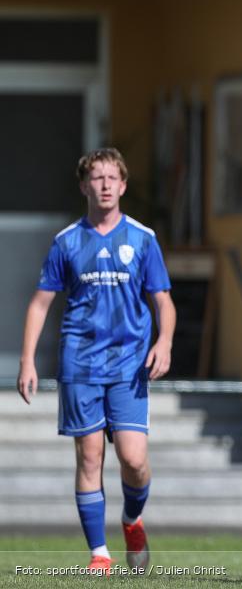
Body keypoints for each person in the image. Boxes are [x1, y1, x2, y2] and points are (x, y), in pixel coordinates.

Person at [17, 148, 176, 574]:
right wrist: (27, 361)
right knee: (89, 458)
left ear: (123, 186)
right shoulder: (66, 241)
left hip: (129, 364)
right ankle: (99, 553)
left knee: (134, 459)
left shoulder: (142, 239)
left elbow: (163, 301)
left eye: (113, 178)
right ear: (84, 185)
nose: (105, 185)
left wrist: (164, 342)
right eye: (97, 178)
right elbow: (40, 303)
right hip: (80, 364)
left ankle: (131, 519)